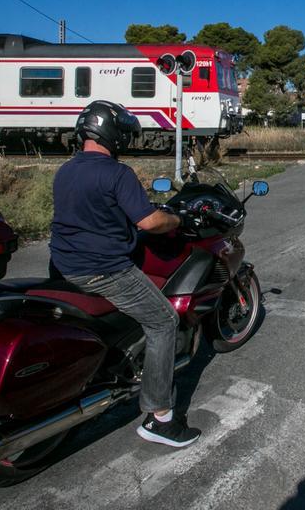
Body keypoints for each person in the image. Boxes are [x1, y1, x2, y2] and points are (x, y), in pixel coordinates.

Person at [49, 99, 200, 448]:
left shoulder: (66, 170)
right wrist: (177, 219)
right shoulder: (117, 173)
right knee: (163, 321)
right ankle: (161, 418)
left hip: (64, 265)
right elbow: (148, 221)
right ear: (113, 134)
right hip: (103, 270)